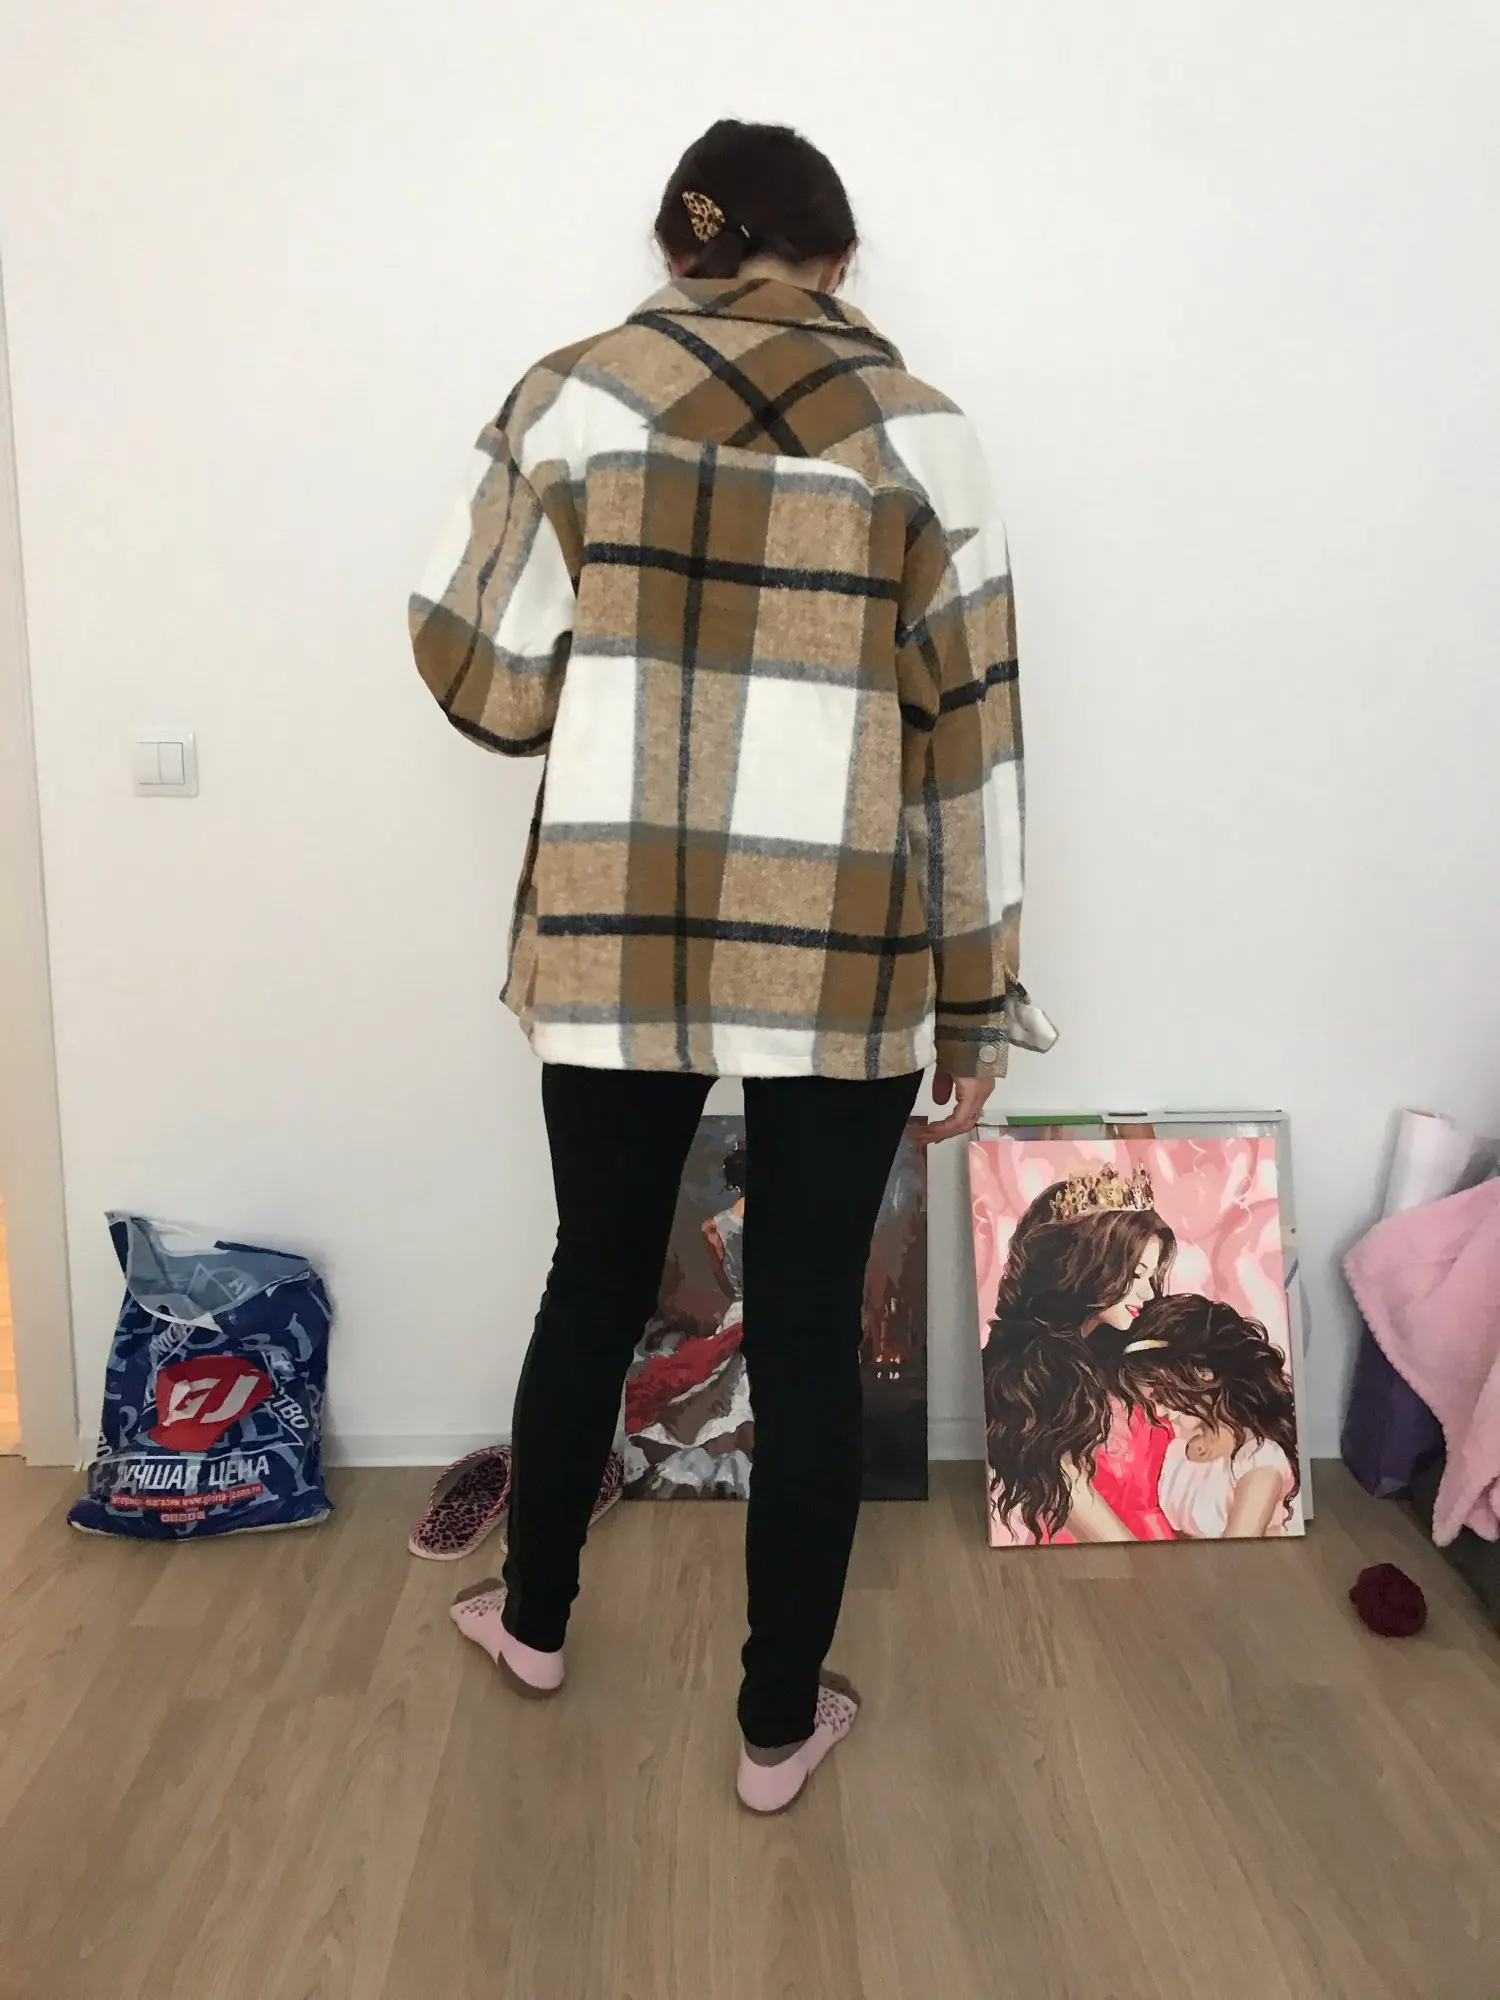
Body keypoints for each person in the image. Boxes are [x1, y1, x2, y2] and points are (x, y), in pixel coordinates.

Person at [410, 118, 1040, 1812]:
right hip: (846, 950)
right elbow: (973, 745)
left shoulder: (568, 399)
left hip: (617, 929)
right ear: (836, 259)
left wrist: (629, 655)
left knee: (595, 1276)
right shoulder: (928, 437)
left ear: (679, 250)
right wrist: (976, 996)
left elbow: (484, 682)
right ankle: (774, 1731)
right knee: (810, 1335)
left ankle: (534, 1622)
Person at [982, 1166, 1177, 1544]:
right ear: (1088, 1269)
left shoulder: (1114, 1357)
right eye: (1136, 1275)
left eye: (1151, 1277)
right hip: (1101, 1554)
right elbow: (1079, 1502)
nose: (1149, 1294)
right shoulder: (1032, 1376)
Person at [1104, 1293, 1301, 1538]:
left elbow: (1240, 1550)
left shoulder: (1258, 1460)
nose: (1160, 1412)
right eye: (1153, 1401)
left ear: (1203, 1375)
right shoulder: (1178, 1448)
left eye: (1162, 1398)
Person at [621, 1142, 753, 1497]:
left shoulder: (713, 1227)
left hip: (740, 1310)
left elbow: (728, 1286)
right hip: (769, 1311)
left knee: (727, 1385)